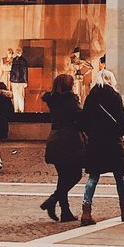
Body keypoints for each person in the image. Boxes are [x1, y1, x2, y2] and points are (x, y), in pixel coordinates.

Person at [80, 69, 124, 226]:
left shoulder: (91, 97)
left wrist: (92, 133)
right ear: (111, 80)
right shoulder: (115, 96)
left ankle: (86, 211)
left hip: (96, 142)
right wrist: (118, 133)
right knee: (120, 176)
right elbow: (122, 119)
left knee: (93, 177)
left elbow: (84, 120)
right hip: (112, 141)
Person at [40, 73, 83, 222]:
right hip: (69, 140)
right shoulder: (70, 100)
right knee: (75, 174)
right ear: (68, 86)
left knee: (63, 177)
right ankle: (52, 200)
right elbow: (80, 117)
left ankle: (65, 212)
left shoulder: (52, 100)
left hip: (55, 139)